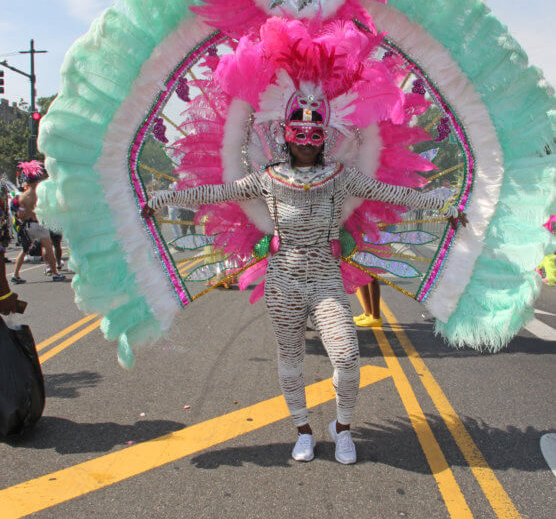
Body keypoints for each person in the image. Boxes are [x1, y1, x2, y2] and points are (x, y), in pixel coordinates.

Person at [142, 108, 467, 464]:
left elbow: (393, 193)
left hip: (327, 280)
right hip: (283, 281)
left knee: (347, 357)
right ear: (287, 137)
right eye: (300, 136)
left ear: (324, 138)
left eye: (315, 136)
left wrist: (443, 204)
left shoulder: (342, 177)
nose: (308, 144)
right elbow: (218, 192)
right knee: (290, 358)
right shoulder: (268, 178)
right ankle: (303, 431)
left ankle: (342, 429)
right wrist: (163, 200)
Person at [11, 162, 66, 284]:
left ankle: (15, 274)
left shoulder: (21, 197)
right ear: (35, 181)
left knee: (24, 250)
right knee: (49, 249)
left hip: (28, 226)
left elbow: (20, 215)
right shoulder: (39, 194)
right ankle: (55, 273)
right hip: (39, 225)